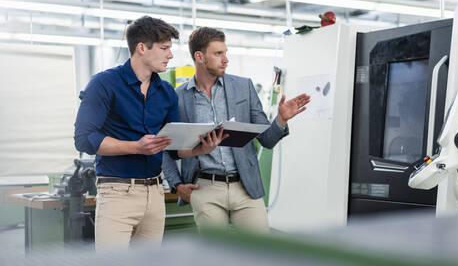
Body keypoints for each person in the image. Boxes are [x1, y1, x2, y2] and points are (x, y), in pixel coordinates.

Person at [162, 27, 310, 232]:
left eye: (226, 53)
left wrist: (281, 120)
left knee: (259, 252)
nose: (225, 59)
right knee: (217, 255)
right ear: (199, 57)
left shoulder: (243, 87)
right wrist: (177, 186)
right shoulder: (177, 97)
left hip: (245, 188)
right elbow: (166, 147)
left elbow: (267, 140)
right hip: (205, 188)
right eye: (218, 54)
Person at [74, 16, 179, 250]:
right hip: (117, 192)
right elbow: (83, 138)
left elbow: (176, 146)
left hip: (155, 193)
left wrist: (202, 146)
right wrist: (135, 147)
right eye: (164, 48)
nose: (170, 55)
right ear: (141, 48)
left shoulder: (167, 93)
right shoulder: (104, 84)